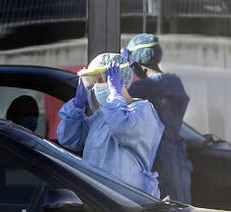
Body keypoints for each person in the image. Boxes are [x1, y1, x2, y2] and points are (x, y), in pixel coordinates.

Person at [58, 51, 164, 197]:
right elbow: (69, 139)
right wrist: (77, 105)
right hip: (100, 198)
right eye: (93, 82)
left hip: (130, 200)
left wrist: (115, 95)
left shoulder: (143, 110)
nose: (96, 87)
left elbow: (123, 129)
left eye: (100, 80)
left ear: (120, 80)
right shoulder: (101, 116)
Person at [125, 33, 193, 204]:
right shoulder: (175, 82)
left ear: (137, 63)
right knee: (182, 208)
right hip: (178, 157)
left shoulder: (142, 87)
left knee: (162, 209)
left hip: (157, 158)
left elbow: (119, 104)